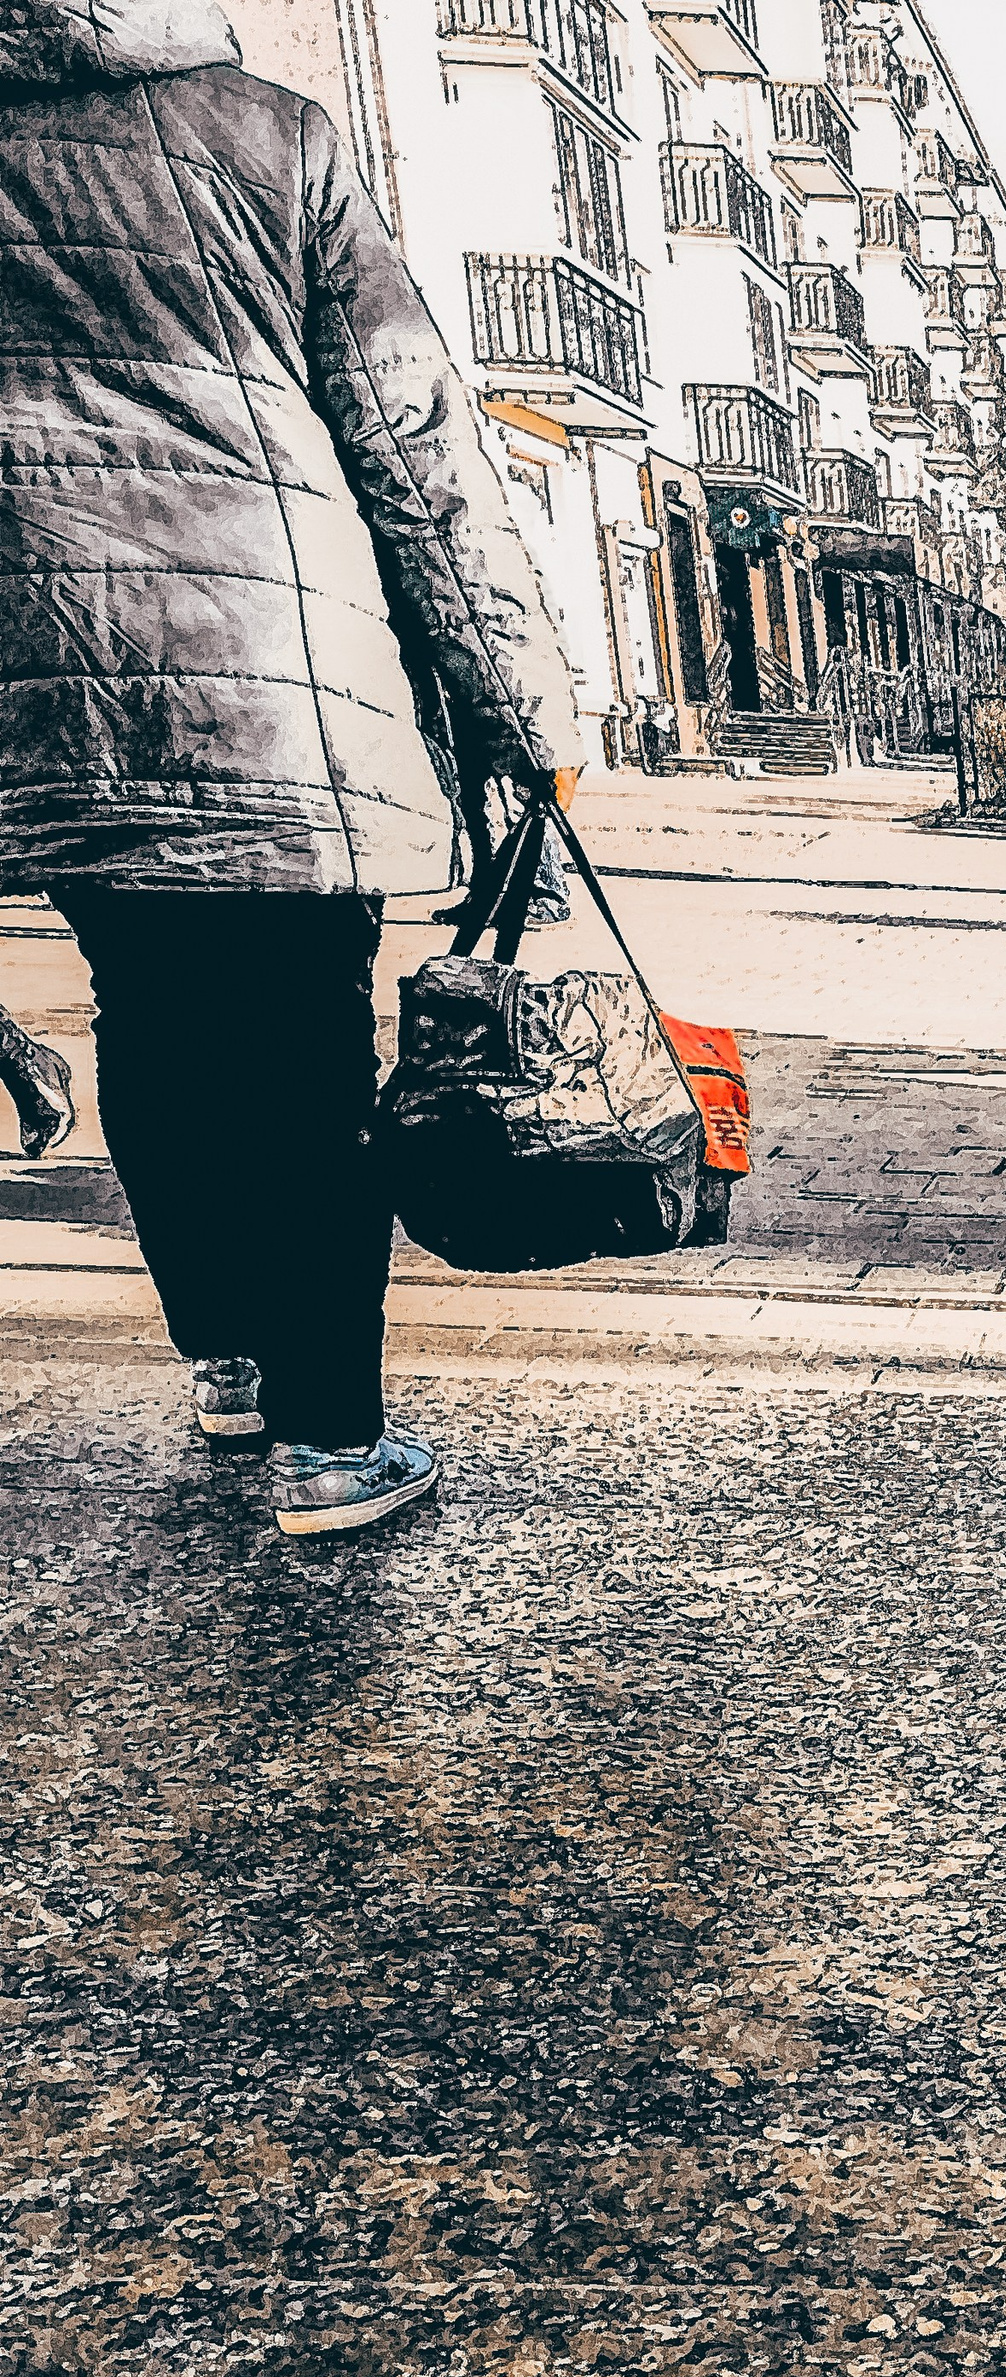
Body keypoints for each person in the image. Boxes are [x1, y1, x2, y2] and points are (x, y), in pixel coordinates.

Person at [0, 0, 581, 1538]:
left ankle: (234, 1357)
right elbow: (417, 447)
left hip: (56, 685)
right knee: (309, 1053)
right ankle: (337, 1437)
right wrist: (524, 707)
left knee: (152, 1019)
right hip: (284, 695)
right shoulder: (277, 136)